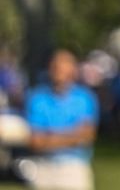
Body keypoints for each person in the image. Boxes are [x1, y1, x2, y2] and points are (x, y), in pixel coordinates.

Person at [20, 50, 98, 190]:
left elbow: (86, 136)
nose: (59, 72)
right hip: (43, 166)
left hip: (74, 167)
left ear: (73, 71)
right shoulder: (37, 98)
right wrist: (72, 136)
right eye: (55, 67)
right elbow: (36, 141)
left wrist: (49, 138)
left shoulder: (85, 99)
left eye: (63, 67)